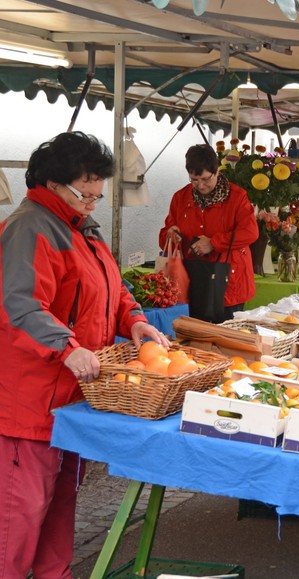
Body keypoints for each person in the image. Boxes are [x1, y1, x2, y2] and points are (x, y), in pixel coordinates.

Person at [0, 132, 171, 578]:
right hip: (29, 401)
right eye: (86, 189)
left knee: (60, 502)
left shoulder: (83, 228)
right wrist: (66, 348)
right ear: (53, 182)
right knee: (20, 512)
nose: (94, 198)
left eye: (99, 189)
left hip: (74, 397)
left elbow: (113, 292)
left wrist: (134, 321)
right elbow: (18, 305)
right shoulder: (29, 228)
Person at [160, 144, 259, 321]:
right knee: (194, 340)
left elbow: (250, 232)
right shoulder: (180, 198)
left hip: (228, 282)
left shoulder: (237, 197)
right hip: (193, 281)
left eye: (206, 179)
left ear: (217, 172)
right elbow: (165, 235)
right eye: (194, 179)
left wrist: (213, 243)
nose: (200, 185)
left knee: (226, 340)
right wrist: (171, 234)